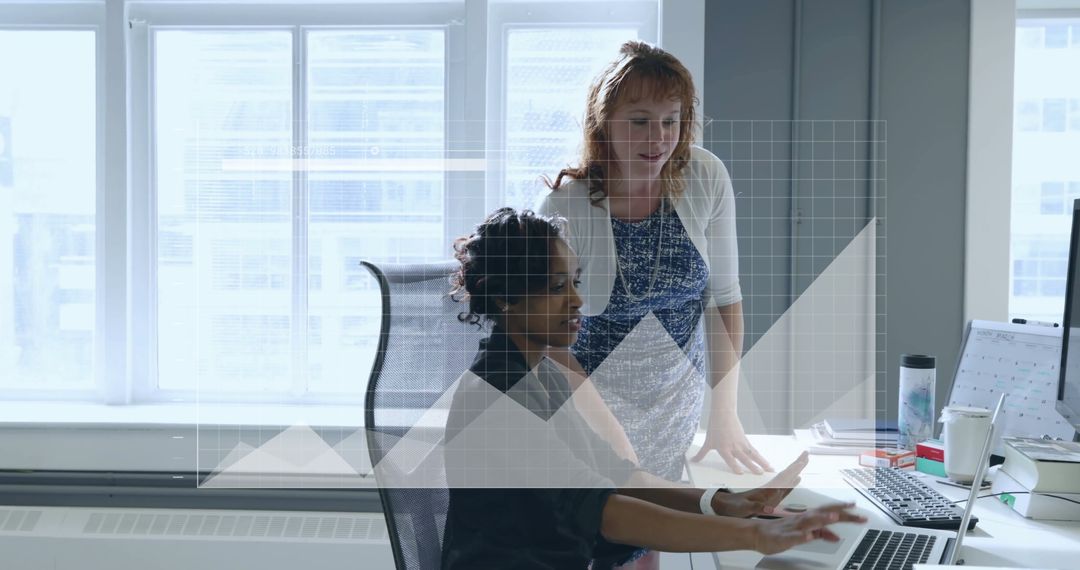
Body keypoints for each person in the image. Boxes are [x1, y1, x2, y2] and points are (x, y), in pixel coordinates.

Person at [440, 208, 864, 570]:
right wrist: (753, 534)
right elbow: (601, 510)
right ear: (504, 298)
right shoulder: (496, 395)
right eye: (556, 287)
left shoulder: (539, 373)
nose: (576, 301)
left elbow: (614, 473)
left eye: (575, 282)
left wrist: (722, 501)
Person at [536, 40, 768, 477]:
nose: (658, 138)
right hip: (584, 407)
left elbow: (725, 302)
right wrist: (615, 441)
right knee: (591, 535)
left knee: (653, 536)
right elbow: (547, 342)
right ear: (602, 124)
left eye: (670, 121)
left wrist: (724, 413)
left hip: (673, 408)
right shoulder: (566, 207)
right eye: (640, 121)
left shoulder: (706, 177)